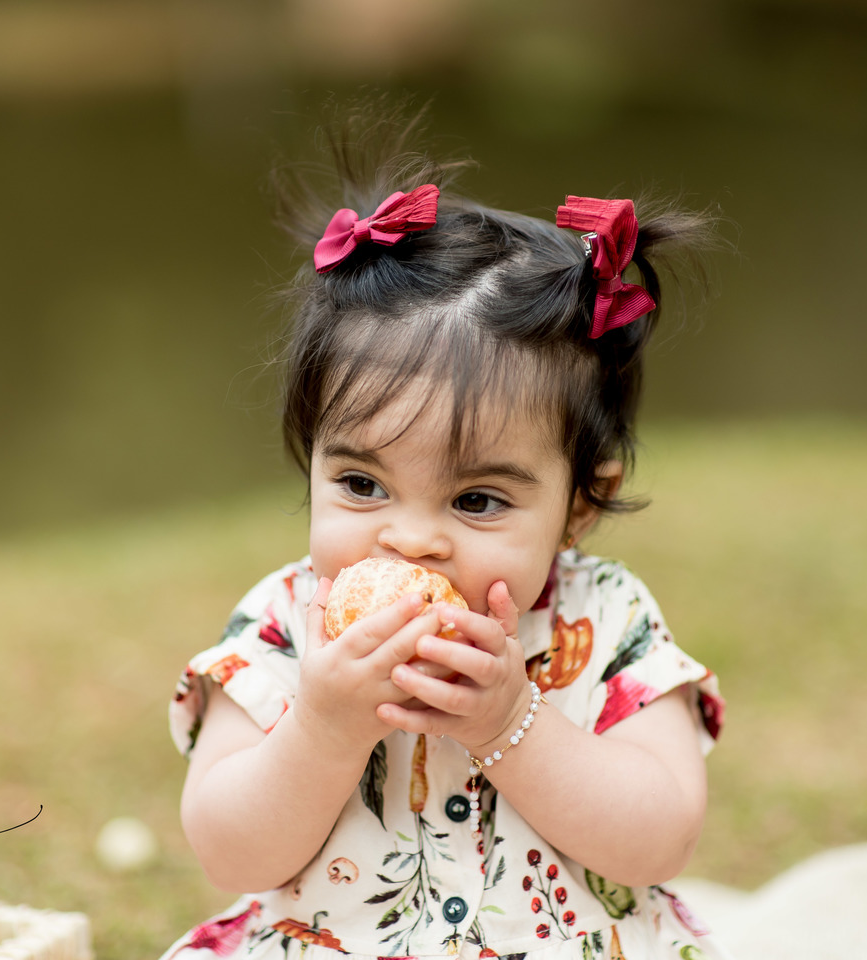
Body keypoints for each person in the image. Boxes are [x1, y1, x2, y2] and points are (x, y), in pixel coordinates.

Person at [163, 108, 728, 960]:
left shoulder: (607, 618)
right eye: (362, 485)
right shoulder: (286, 624)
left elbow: (661, 838)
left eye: (477, 501)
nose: (410, 541)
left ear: (581, 505)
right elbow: (228, 852)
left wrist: (511, 721)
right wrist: (322, 730)